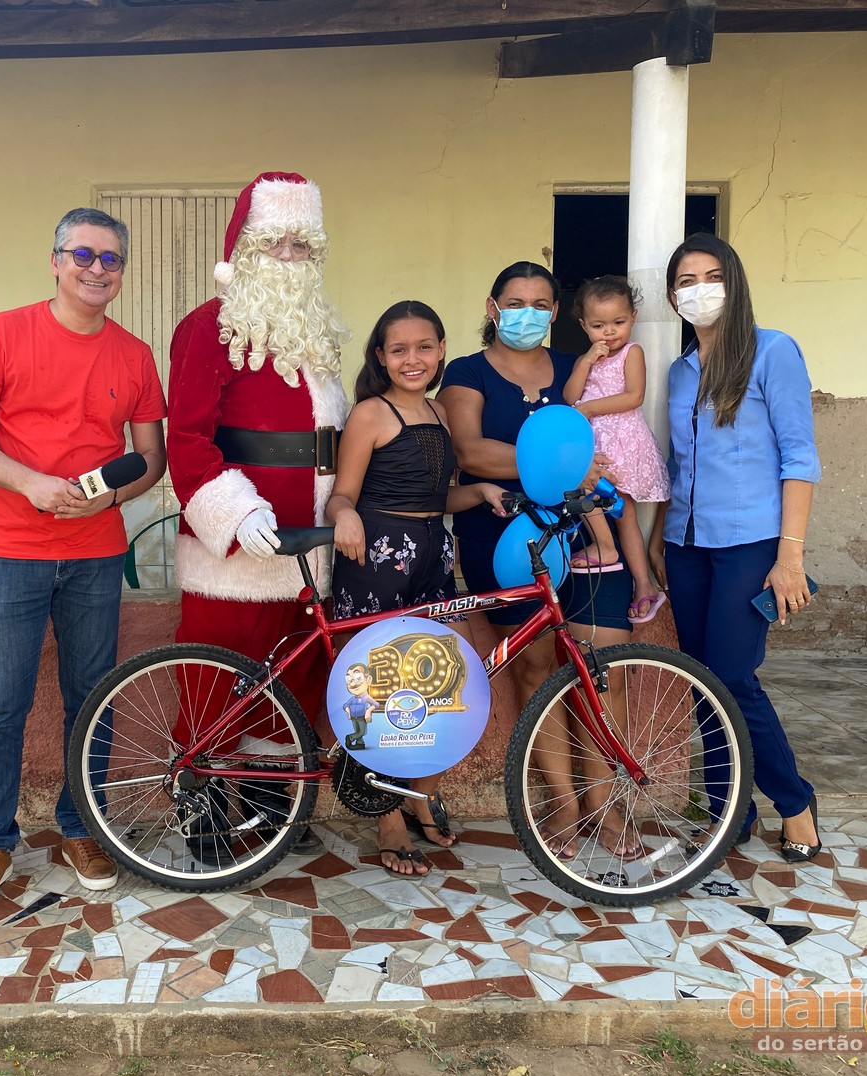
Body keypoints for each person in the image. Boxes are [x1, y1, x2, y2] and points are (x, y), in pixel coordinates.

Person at [0, 208, 167, 911]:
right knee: (0, 705)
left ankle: (82, 828)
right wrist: (31, 484)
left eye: (111, 259)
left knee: (91, 699)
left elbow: (151, 457)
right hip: (12, 550)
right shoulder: (3, 332)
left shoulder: (134, 355)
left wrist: (108, 499)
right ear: (56, 261)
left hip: (96, 553)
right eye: (83, 254)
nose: (97, 268)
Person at [167, 172, 351, 858]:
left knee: (294, 682)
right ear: (244, 248)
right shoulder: (204, 328)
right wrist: (237, 513)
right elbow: (187, 440)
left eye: (302, 245)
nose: (289, 257)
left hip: (310, 548)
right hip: (236, 550)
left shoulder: (318, 334)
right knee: (216, 681)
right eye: (275, 243)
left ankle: (276, 811)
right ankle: (206, 813)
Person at [438, 261, 639, 860]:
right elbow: (470, 452)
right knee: (535, 670)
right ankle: (563, 803)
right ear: (493, 307)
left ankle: (605, 802)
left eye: (540, 304)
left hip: (588, 533)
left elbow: (617, 433)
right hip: (503, 539)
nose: (527, 314)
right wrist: (563, 466)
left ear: (555, 312)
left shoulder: (581, 368)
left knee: (605, 669)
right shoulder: (467, 372)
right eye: (514, 302)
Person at [648, 233, 823, 864]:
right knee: (702, 682)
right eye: (685, 281)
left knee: (732, 678)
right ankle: (731, 811)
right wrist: (658, 538)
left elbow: (799, 457)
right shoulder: (680, 371)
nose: (699, 290)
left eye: (712, 276)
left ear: (735, 282)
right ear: (674, 297)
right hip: (686, 544)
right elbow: (677, 464)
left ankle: (795, 804)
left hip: (751, 543)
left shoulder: (773, 351)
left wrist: (790, 556)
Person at [327, 300, 505, 875]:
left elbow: (433, 498)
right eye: (399, 349)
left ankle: (419, 794)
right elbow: (342, 494)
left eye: (424, 347)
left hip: (432, 558)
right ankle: (388, 817)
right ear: (380, 356)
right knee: (382, 691)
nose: (413, 359)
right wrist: (344, 515)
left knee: (445, 681)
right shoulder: (370, 414)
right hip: (378, 559)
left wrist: (478, 493)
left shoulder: (440, 411)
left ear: (442, 350)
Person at [563, 275, 671, 623]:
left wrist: (589, 409)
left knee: (616, 509)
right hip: (596, 443)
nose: (609, 332)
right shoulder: (586, 359)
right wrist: (585, 362)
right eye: (598, 326)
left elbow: (634, 396)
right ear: (584, 325)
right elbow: (569, 396)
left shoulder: (631, 352)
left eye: (619, 322)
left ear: (633, 318)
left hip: (622, 442)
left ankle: (629, 570)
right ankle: (637, 578)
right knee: (601, 498)